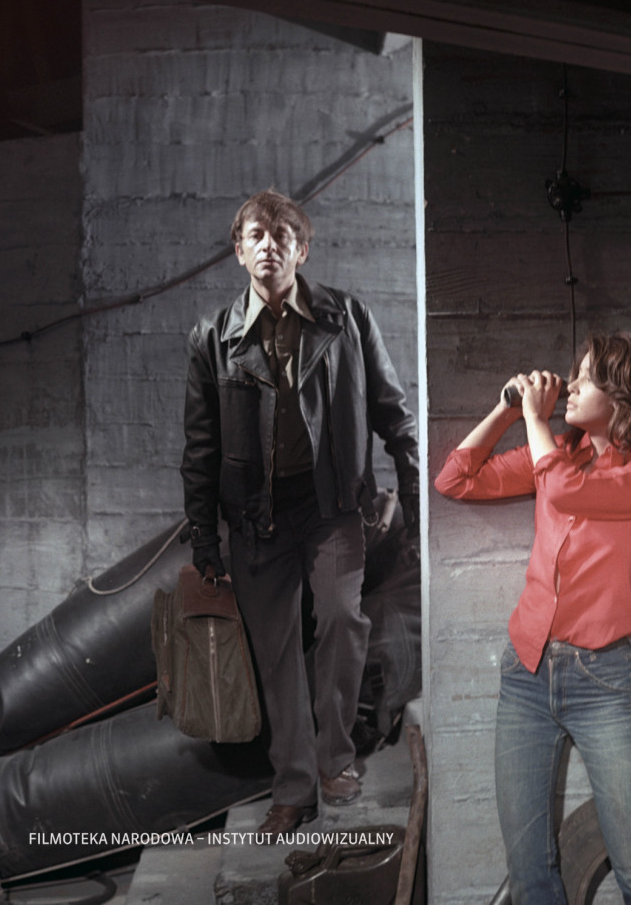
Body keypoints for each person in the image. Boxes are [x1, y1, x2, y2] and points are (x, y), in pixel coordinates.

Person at [180, 190, 419, 836]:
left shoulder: (347, 319)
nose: (269, 245)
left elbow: (395, 416)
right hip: (256, 518)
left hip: (332, 506)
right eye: (256, 235)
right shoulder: (213, 338)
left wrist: (413, 503)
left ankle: (334, 759)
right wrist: (204, 537)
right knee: (275, 652)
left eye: (282, 235)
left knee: (342, 619)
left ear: (302, 250)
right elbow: (200, 448)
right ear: (238, 251)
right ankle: (293, 787)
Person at [435, 331, 631, 905]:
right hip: (525, 673)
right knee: (529, 877)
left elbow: (566, 493)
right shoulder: (560, 454)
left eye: (587, 377)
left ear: (624, 398)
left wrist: (533, 415)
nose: (570, 385)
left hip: (603, 683)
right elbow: (455, 479)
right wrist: (507, 410)